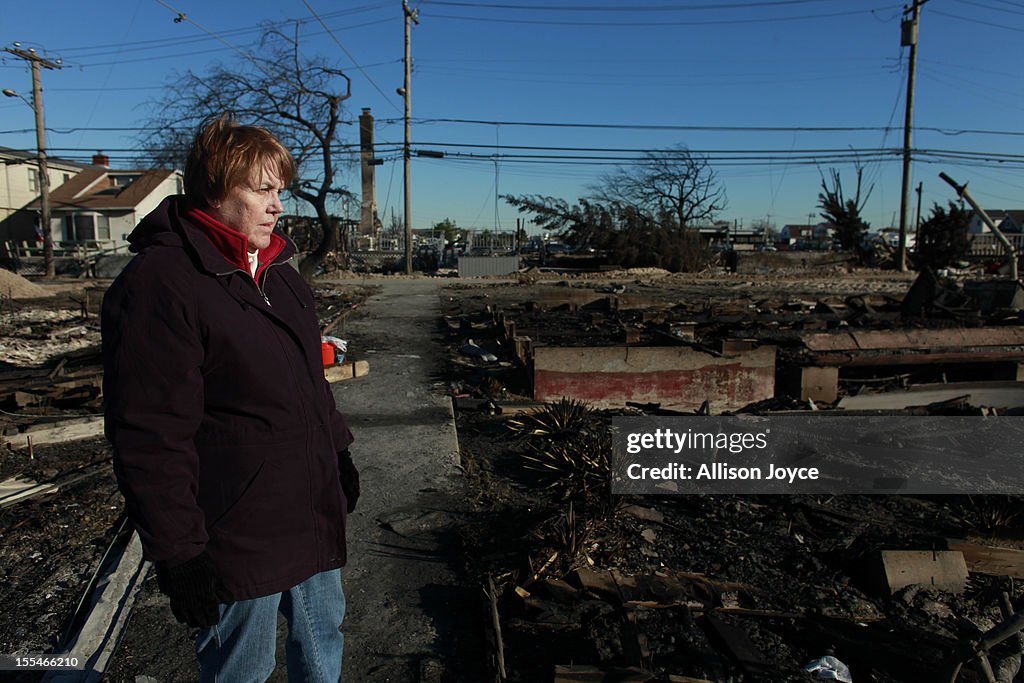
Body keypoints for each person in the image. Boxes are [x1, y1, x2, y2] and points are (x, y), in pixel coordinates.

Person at [101, 113, 359, 682]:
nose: (277, 204)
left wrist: (338, 452)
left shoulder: (281, 275)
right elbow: (148, 435)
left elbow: (309, 385)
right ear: (216, 189)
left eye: (281, 190)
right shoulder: (160, 285)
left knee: (322, 646)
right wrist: (178, 551)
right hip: (234, 530)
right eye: (262, 189)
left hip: (309, 508)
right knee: (242, 668)